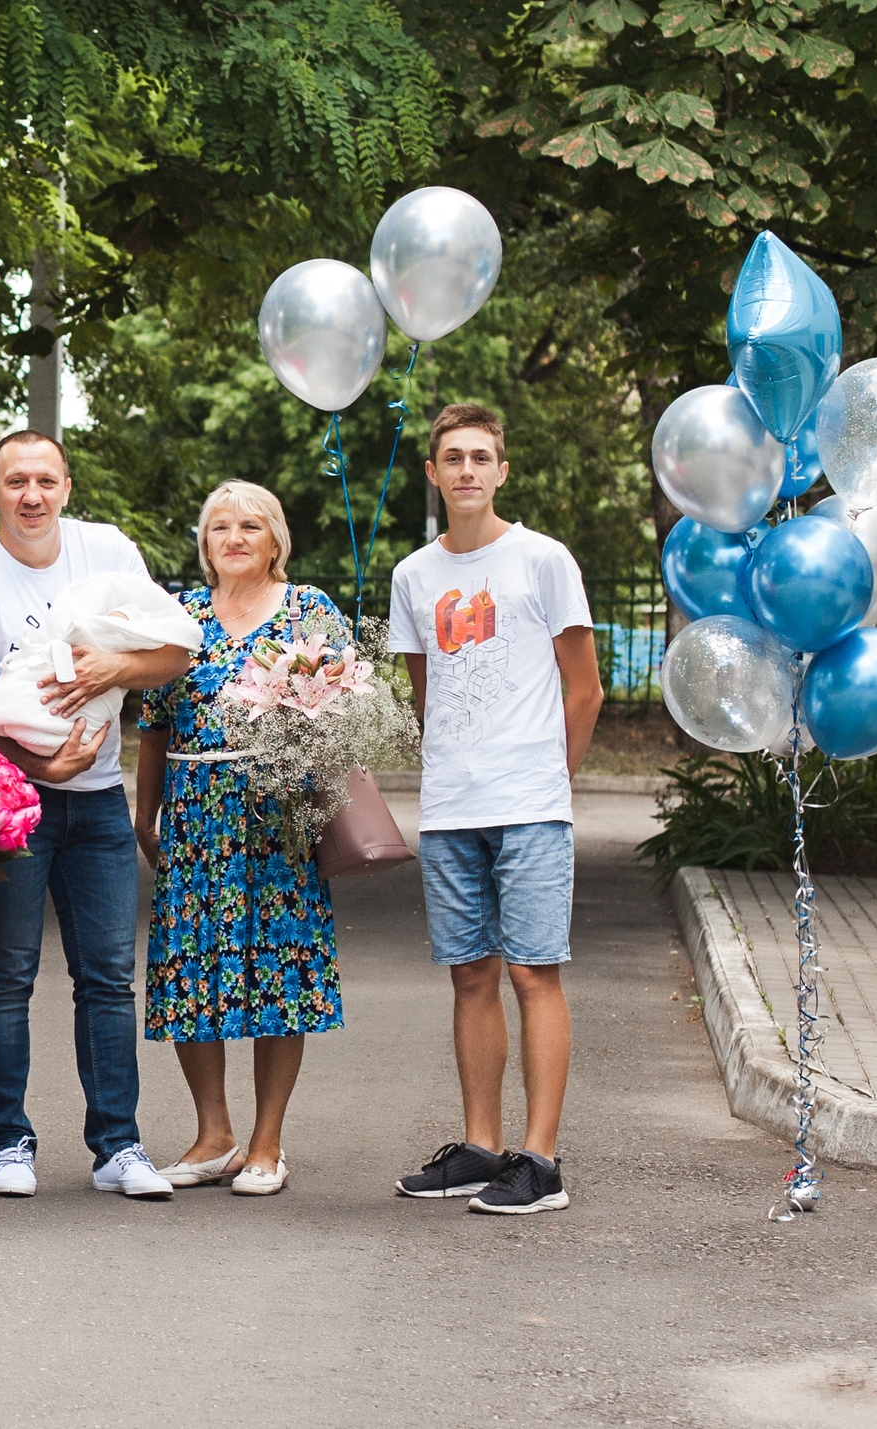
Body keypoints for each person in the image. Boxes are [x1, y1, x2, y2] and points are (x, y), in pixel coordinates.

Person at [0, 428, 190, 1200]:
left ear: (67, 487)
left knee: (108, 976)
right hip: (10, 805)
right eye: (15, 481)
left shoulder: (107, 551)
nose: (31, 495)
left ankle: (119, 1146)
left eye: (45, 479)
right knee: (6, 974)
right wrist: (42, 766)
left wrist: (116, 666)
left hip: (100, 803)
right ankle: (10, 1144)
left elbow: (176, 650)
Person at [387, 402, 602, 1216]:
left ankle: (540, 1162)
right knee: (470, 972)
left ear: (502, 471)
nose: (468, 469)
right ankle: (481, 1148)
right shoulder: (414, 576)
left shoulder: (542, 561)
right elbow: (424, 691)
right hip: (449, 807)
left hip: (530, 802)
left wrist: (557, 775)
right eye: (453, 457)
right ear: (435, 473)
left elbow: (584, 687)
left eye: (482, 456)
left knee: (530, 970)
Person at [132, 481, 345, 1198]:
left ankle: (267, 1141)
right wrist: (146, 812)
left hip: (276, 816)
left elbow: (345, 707)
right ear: (205, 541)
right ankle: (214, 1132)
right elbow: (155, 720)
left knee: (277, 972)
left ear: (275, 537)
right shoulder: (183, 615)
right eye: (219, 526)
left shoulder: (307, 609)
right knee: (194, 966)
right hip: (195, 812)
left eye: (250, 525)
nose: (234, 537)